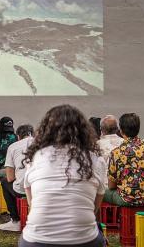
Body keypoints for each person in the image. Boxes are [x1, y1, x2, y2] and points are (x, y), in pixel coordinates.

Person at [19, 105, 106, 247]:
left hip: (37, 240)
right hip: (84, 240)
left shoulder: (36, 157)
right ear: (84, 132)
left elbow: (32, 204)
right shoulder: (95, 160)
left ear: (46, 131)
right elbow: (94, 207)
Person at [104, 113, 144, 206]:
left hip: (128, 200)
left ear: (121, 131)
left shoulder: (116, 152)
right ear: (138, 129)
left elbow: (111, 186)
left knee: (103, 192)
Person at [0, 124, 34, 232]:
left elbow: (9, 177)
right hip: (41, 188)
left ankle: (15, 221)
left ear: (18, 136)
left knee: (5, 182)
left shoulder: (13, 146)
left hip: (23, 190)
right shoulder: (43, 144)